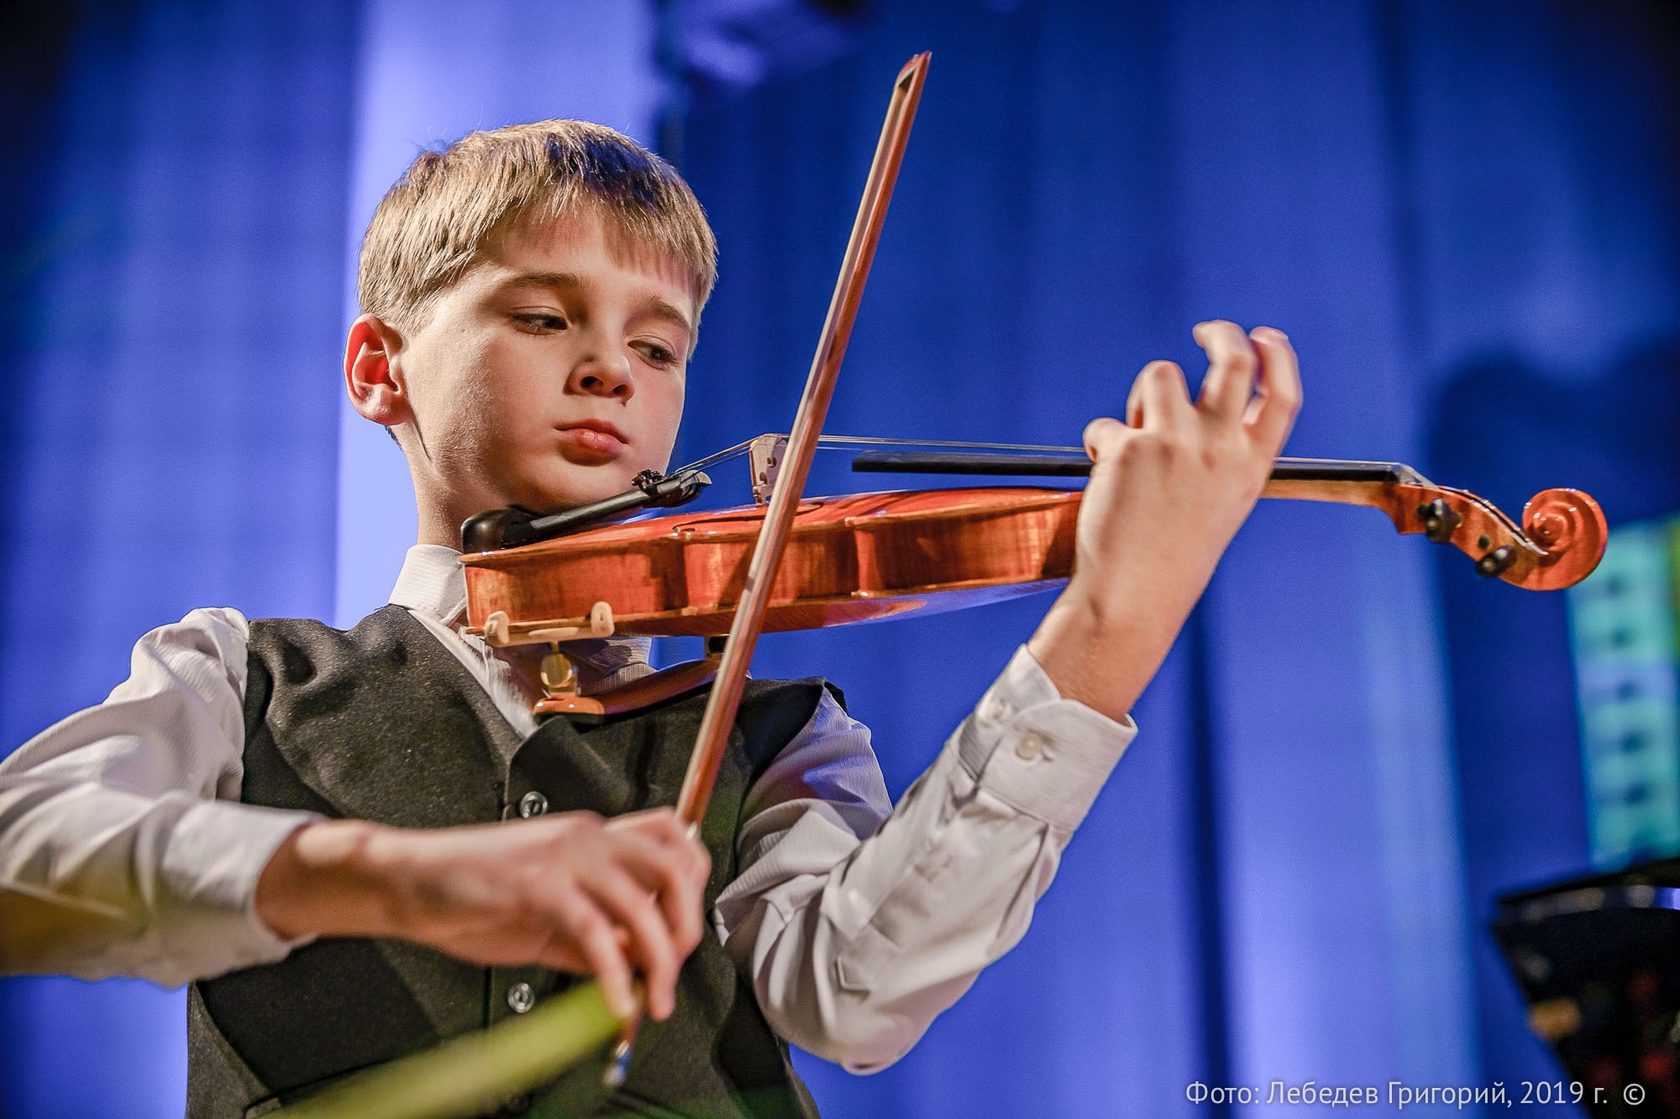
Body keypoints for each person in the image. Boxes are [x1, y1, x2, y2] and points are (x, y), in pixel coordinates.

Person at [0, 120, 1300, 1117]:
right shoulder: (242, 679)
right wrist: (399, 878)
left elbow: (848, 997)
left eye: (659, 345)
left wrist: (1114, 625)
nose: (609, 367)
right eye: (543, 314)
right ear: (378, 369)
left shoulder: (773, 732)